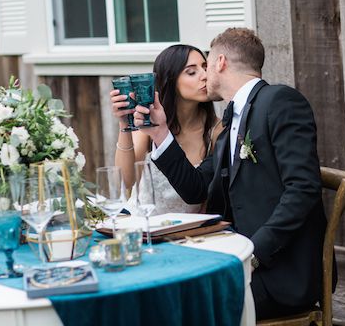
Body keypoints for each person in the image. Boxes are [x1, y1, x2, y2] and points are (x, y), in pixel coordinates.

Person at [133, 28, 329, 320]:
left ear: (220, 62)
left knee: (184, 307)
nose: (204, 74)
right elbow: (196, 189)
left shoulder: (280, 101)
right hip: (236, 260)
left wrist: (253, 253)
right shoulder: (231, 123)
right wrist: (160, 132)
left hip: (279, 274)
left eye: (206, 64)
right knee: (160, 292)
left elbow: (303, 190)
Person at [110, 44, 222, 214]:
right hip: (142, 224)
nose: (205, 76)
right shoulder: (150, 124)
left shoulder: (216, 130)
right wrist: (124, 124)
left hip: (187, 233)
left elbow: (207, 198)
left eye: (206, 68)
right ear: (170, 80)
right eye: (191, 72)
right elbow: (124, 181)